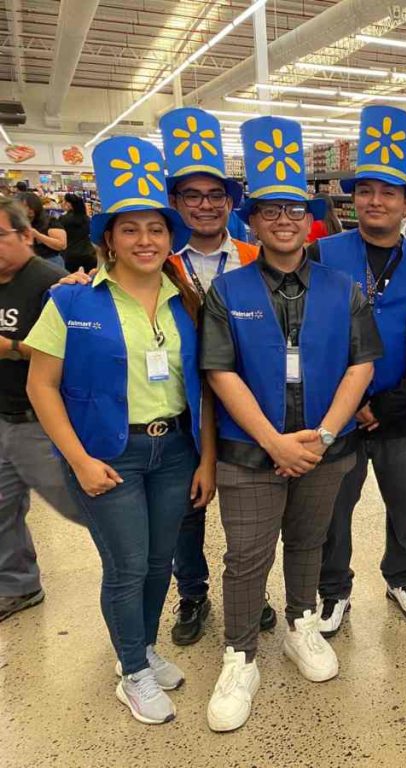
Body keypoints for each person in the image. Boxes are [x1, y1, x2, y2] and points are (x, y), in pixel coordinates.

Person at [200, 116, 381, 732]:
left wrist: (323, 436)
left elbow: (361, 365)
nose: (284, 219)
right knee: (247, 556)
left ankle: (301, 623)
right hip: (249, 453)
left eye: (295, 210)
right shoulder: (227, 291)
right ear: (251, 221)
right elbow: (221, 371)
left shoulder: (344, 288)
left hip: (325, 450)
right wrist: (274, 442)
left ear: (311, 221)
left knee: (309, 542)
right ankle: (240, 655)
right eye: (271, 210)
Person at [25, 137, 212, 725]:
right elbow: (41, 386)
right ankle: (131, 672)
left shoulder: (187, 302)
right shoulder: (72, 301)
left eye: (155, 229)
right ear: (108, 239)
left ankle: (143, 648)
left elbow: (203, 387)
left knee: (160, 562)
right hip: (109, 454)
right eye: (130, 230)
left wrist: (206, 460)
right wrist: (78, 460)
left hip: (175, 449)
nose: (145, 240)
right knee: (127, 565)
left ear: (170, 237)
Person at [316, 106, 406, 631]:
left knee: (405, 502)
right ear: (354, 199)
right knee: (334, 506)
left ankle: (401, 576)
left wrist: (396, 396)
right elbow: (307, 330)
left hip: (400, 407)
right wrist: (353, 399)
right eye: (365, 191)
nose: (375, 201)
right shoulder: (323, 253)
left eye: (388, 192)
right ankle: (333, 589)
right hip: (337, 406)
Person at [158, 107, 267, 646]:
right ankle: (194, 592)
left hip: (247, 401)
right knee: (188, 508)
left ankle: (252, 591)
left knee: (251, 510)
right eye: (192, 196)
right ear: (176, 203)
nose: (205, 205)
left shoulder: (255, 257)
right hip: (182, 403)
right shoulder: (157, 261)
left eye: (215, 195)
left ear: (229, 201)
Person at [0, 197, 81, 625]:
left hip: (40, 423)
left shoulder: (53, 284)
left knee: (81, 506)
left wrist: (12, 346)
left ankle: (154, 563)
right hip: (2, 416)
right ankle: (18, 586)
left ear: (25, 235)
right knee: (2, 510)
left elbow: (75, 347)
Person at [15, 191, 67, 268]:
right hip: (25, 262)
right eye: (24, 207)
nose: (29, 210)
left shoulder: (49, 221)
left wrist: (38, 235)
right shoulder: (16, 222)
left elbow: (62, 245)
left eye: (30, 206)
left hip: (49, 261)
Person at [59, 194, 97, 274]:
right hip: (89, 254)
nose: (61, 203)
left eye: (63, 201)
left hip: (71, 255)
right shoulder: (86, 218)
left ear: (68, 204)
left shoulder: (63, 219)